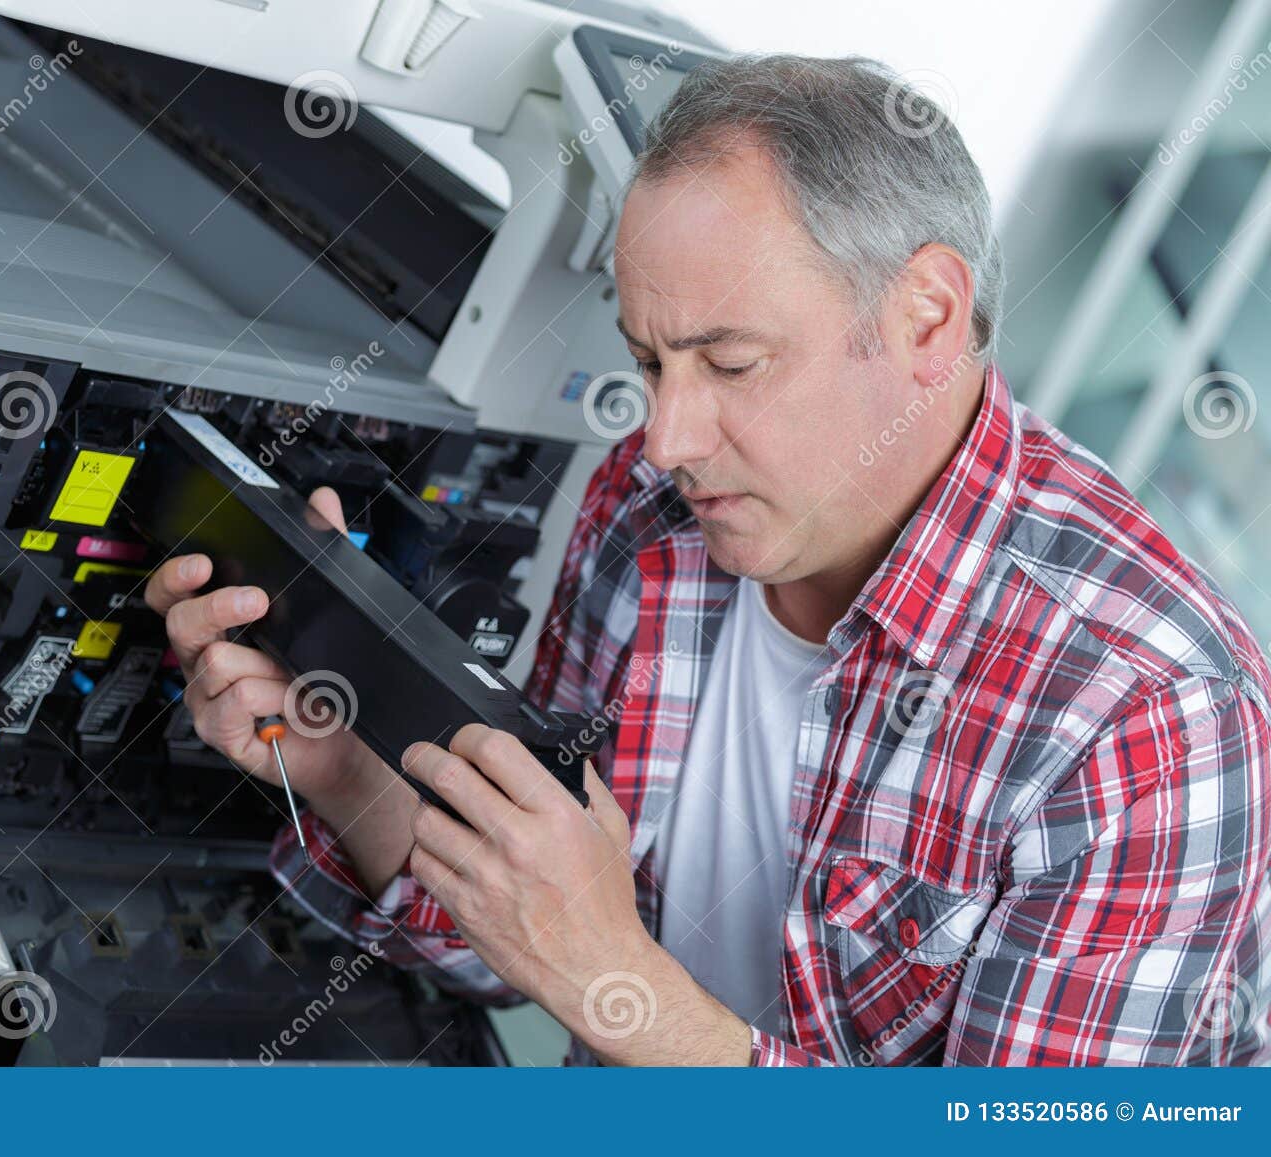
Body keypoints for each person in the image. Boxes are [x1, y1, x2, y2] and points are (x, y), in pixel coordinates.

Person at [145, 54, 1271, 1065]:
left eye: (730, 363)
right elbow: (516, 940)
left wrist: (613, 981)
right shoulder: (649, 514)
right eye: (649, 360)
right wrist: (344, 767)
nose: (667, 437)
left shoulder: (1151, 714)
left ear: (927, 319)